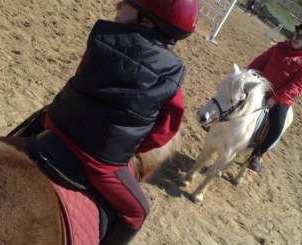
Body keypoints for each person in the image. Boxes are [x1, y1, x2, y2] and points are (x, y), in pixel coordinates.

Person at [43, 1, 199, 244]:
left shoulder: (103, 34)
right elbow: (164, 131)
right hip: (100, 161)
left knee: (34, 122)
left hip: (55, 123)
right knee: (138, 213)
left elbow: (81, 73)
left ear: (147, 20)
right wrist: (132, 145)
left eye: (126, 5)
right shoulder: (172, 73)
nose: (117, 6)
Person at [246, 22, 302, 175]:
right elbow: (260, 61)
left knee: (277, 126)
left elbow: (297, 86)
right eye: (296, 34)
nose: (296, 38)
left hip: (279, 98)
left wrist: (277, 98)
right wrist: (248, 74)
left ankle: (258, 153)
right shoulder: (278, 48)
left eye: (301, 37)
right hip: (260, 85)